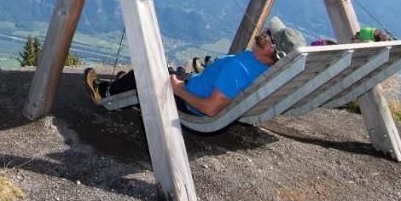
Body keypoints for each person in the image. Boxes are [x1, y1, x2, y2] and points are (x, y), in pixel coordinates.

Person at [85, 29, 280, 117]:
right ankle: (123, 85)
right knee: (167, 70)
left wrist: (178, 90)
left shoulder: (239, 69)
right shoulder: (263, 66)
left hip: (189, 99)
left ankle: (105, 92)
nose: (266, 31)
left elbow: (210, 108)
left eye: (270, 35)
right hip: (195, 84)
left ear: (271, 49)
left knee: (145, 70)